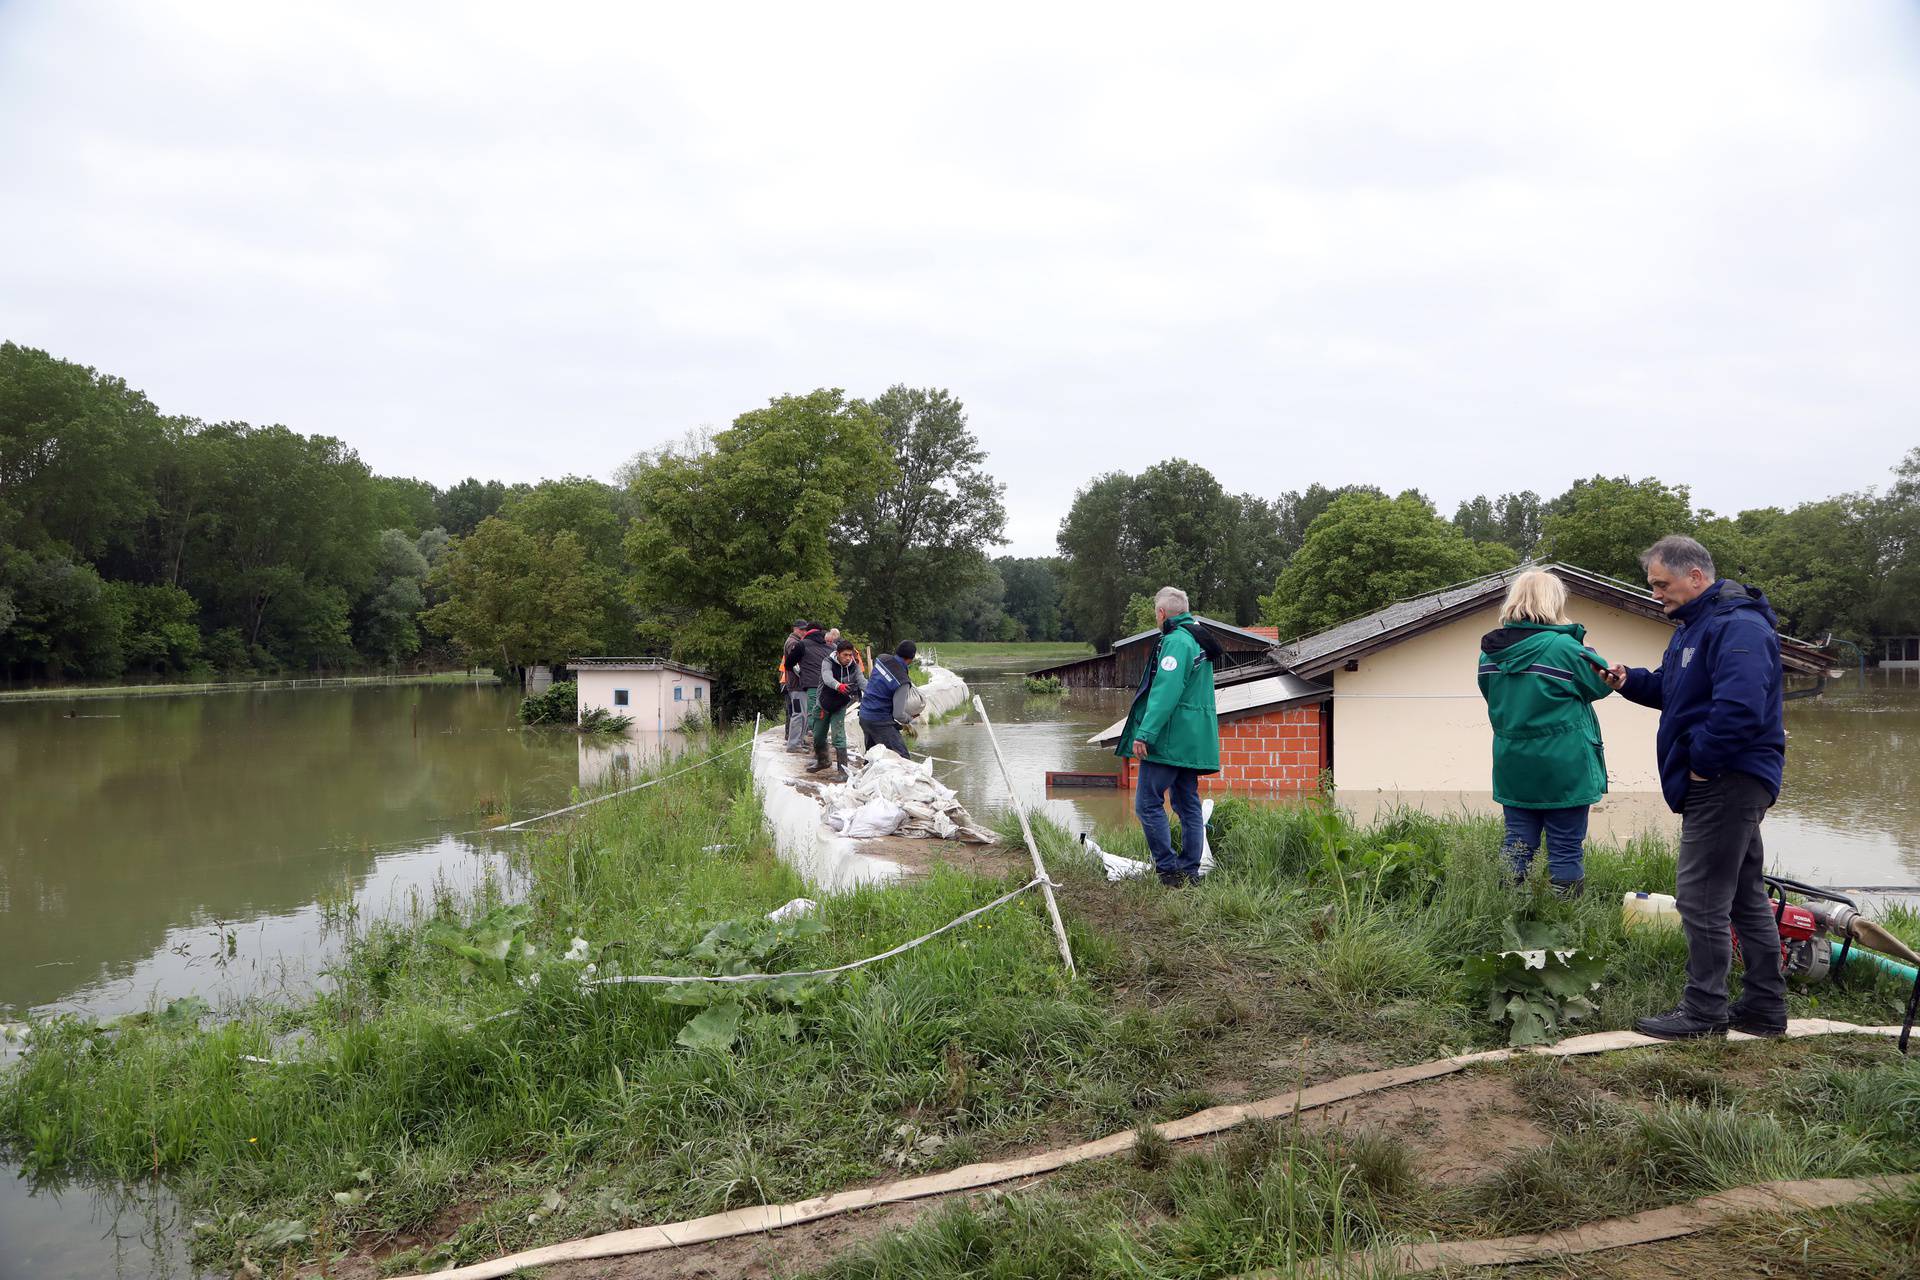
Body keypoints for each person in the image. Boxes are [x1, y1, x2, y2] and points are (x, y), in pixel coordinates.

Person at [1603, 535, 1789, 1041]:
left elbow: (1741, 707)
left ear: (1695, 577)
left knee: (1700, 898)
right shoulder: (1695, 627)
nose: (1656, 594)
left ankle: (1705, 1011)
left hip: (1728, 780)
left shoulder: (1739, 626)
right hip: (1728, 780)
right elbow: (1673, 689)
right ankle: (1764, 1010)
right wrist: (1627, 680)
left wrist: (1703, 762)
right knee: (1745, 898)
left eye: (1661, 584)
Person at [1476, 569, 1614, 897]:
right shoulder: (1566, 649)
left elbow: (1490, 694)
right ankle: (1562, 922)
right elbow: (1601, 684)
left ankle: (1509, 916)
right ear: (1554, 602)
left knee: (1516, 845)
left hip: (1513, 763)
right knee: (1565, 847)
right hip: (1564, 765)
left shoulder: (1489, 654)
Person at [1113, 587, 1220, 886]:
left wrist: (1145, 733)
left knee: (1147, 802)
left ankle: (1169, 870)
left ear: (1161, 613)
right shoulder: (1198, 638)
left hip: (1170, 738)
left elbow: (1165, 692)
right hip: (1192, 739)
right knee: (1188, 804)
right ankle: (1189, 872)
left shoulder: (1175, 642)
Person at [810, 638, 865, 781]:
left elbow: (862, 682)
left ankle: (843, 772)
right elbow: (827, 677)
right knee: (818, 735)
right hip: (823, 704)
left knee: (839, 737)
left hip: (840, 706)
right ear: (838, 653)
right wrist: (838, 686)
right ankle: (823, 760)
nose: (848, 658)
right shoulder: (827, 662)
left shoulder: (855, 667)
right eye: (845, 655)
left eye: (850, 655)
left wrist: (874, 691)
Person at [858, 640, 917, 760]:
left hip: (864, 715)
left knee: (872, 757)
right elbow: (898, 714)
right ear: (911, 659)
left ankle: (865, 777)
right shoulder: (902, 681)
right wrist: (910, 719)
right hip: (879, 721)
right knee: (902, 758)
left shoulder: (881, 659)